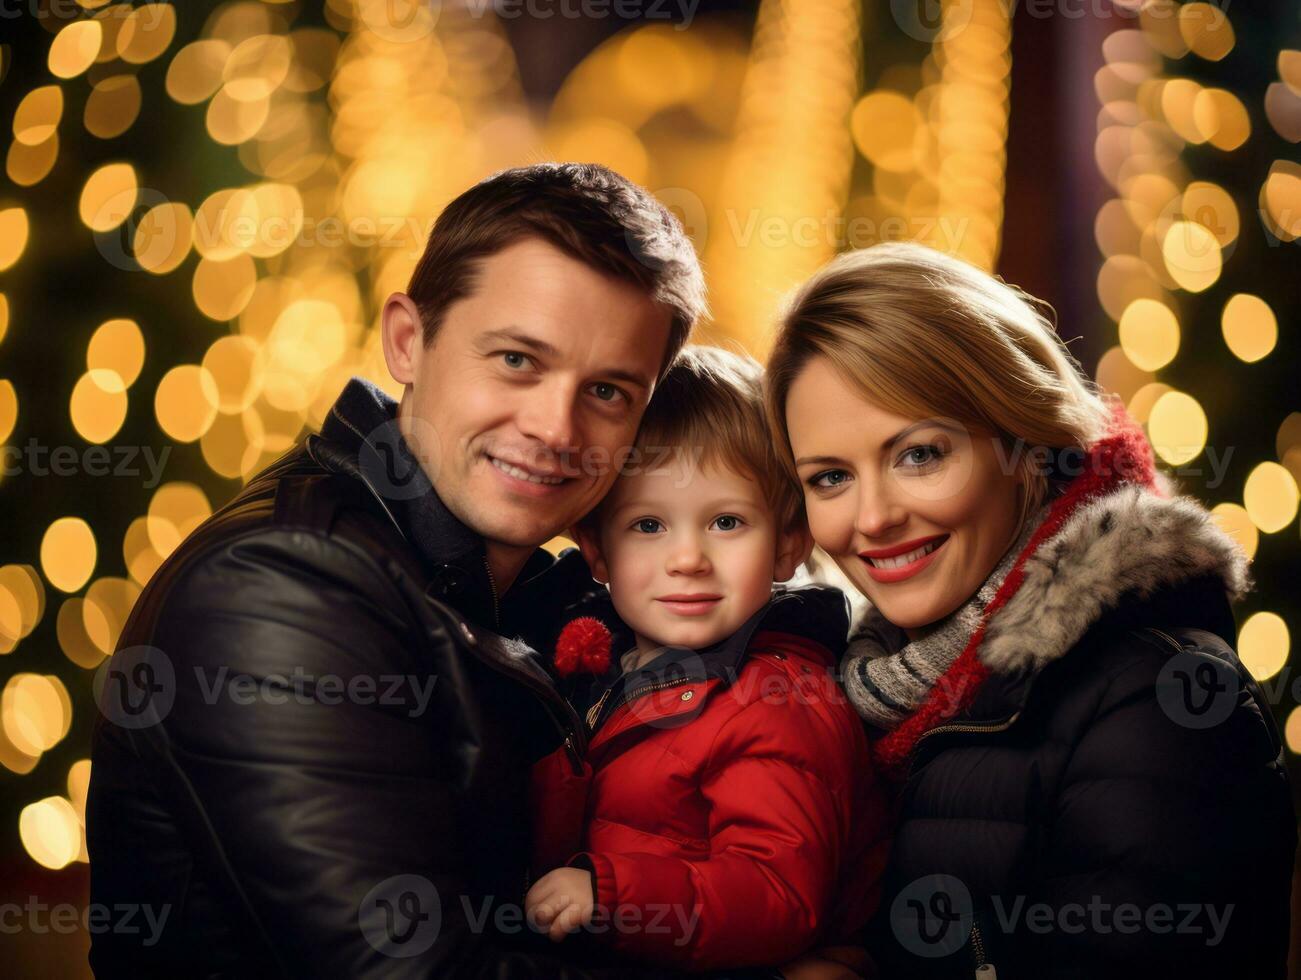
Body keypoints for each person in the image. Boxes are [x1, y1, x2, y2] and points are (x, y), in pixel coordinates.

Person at [86, 163, 711, 976]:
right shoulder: (277, 588)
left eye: (607, 391)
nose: (556, 426)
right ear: (408, 341)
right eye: (518, 360)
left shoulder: (535, 594)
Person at [764, 241, 1295, 978]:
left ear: (1025, 441)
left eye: (918, 454)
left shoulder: (1159, 701)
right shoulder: (847, 687)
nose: (873, 518)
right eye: (829, 477)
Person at [523, 347, 891, 973]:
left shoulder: (778, 700)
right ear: (597, 551)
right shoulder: (599, 667)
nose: (688, 558)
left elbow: (779, 894)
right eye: (648, 526)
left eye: (726, 521)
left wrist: (614, 896)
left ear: (788, 546)